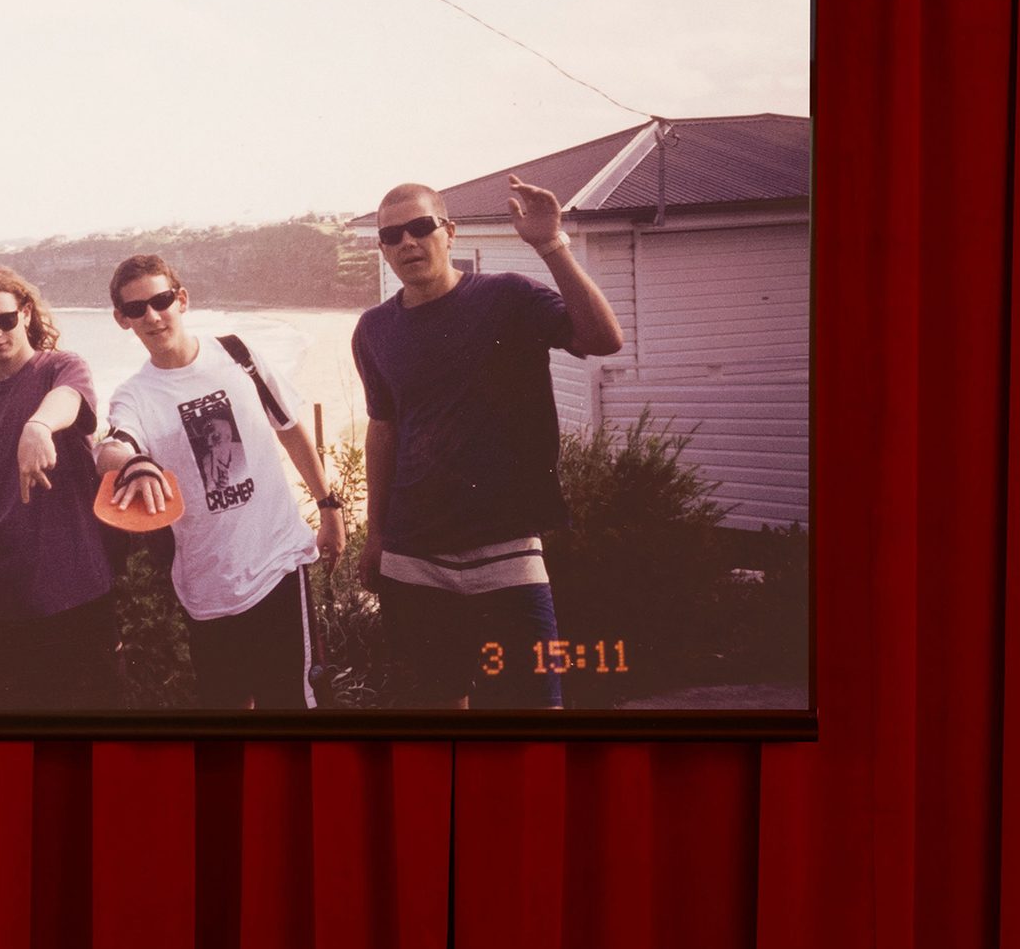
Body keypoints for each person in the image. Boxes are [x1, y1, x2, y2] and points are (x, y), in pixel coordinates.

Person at [352, 178, 624, 710]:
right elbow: (384, 429)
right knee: (440, 704)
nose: (407, 242)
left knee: (538, 704)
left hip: (507, 551)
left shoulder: (508, 297)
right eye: (391, 235)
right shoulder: (373, 329)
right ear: (383, 248)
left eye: (421, 227)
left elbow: (602, 340)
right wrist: (375, 534)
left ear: (449, 233)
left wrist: (551, 246)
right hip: (413, 556)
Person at [94, 255, 345, 711]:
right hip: (205, 590)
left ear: (181, 299)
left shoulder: (237, 353)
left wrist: (329, 506)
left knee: (297, 706)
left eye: (161, 300)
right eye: (136, 309)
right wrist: (133, 465)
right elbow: (113, 447)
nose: (152, 316)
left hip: (278, 566)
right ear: (121, 319)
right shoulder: (133, 395)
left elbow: (289, 427)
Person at [0, 266, 120, 713]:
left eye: (5, 319)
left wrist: (39, 426)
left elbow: (69, 400)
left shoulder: (61, 368)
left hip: (76, 582)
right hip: (6, 592)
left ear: (25, 313)